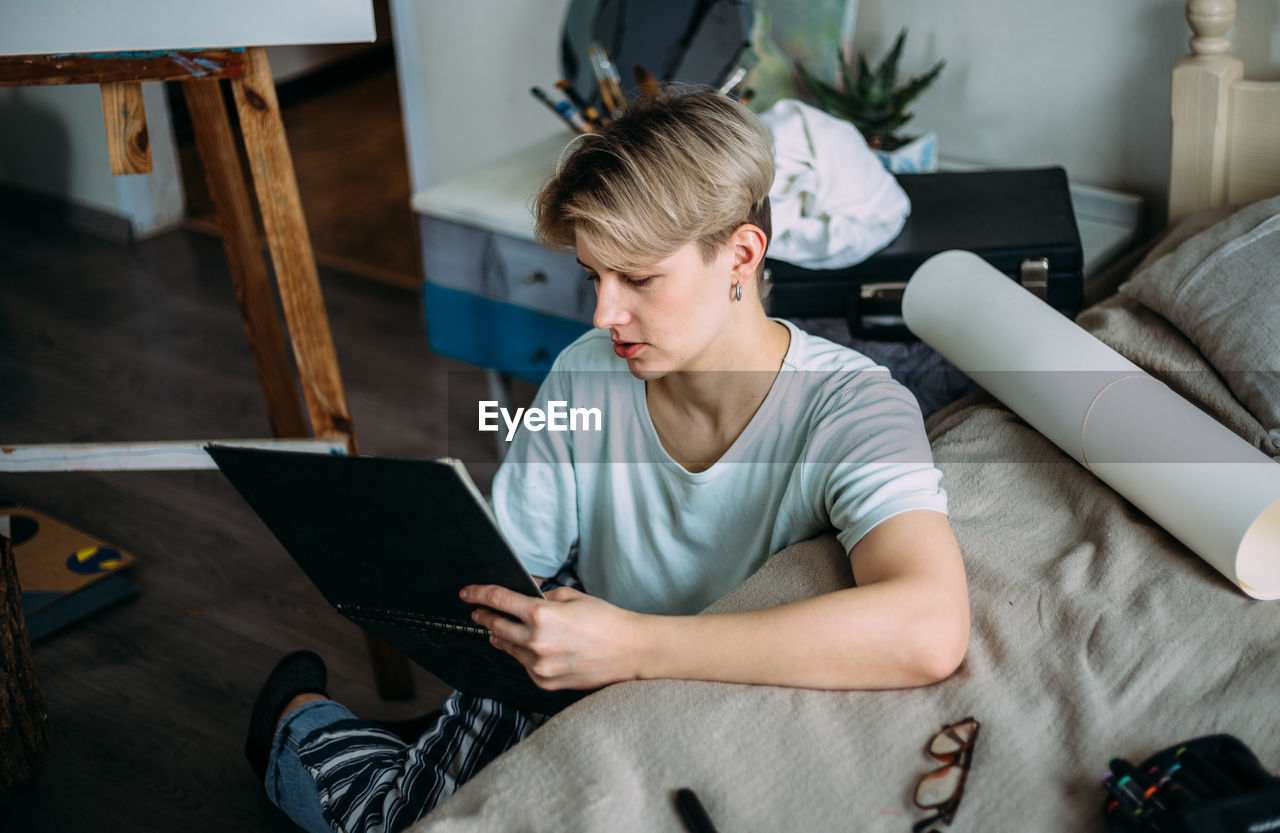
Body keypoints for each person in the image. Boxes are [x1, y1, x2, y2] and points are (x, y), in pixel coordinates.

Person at [243, 89, 970, 833]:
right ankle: (297, 720)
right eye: (595, 276)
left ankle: (360, 739)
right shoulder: (589, 371)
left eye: (639, 279)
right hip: (577, 654)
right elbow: (514, 565)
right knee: (394, 821)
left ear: (741, 256)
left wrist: (631, 645)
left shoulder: (854, 406)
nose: (602, 314)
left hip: (666, 671)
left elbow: (930, 626)